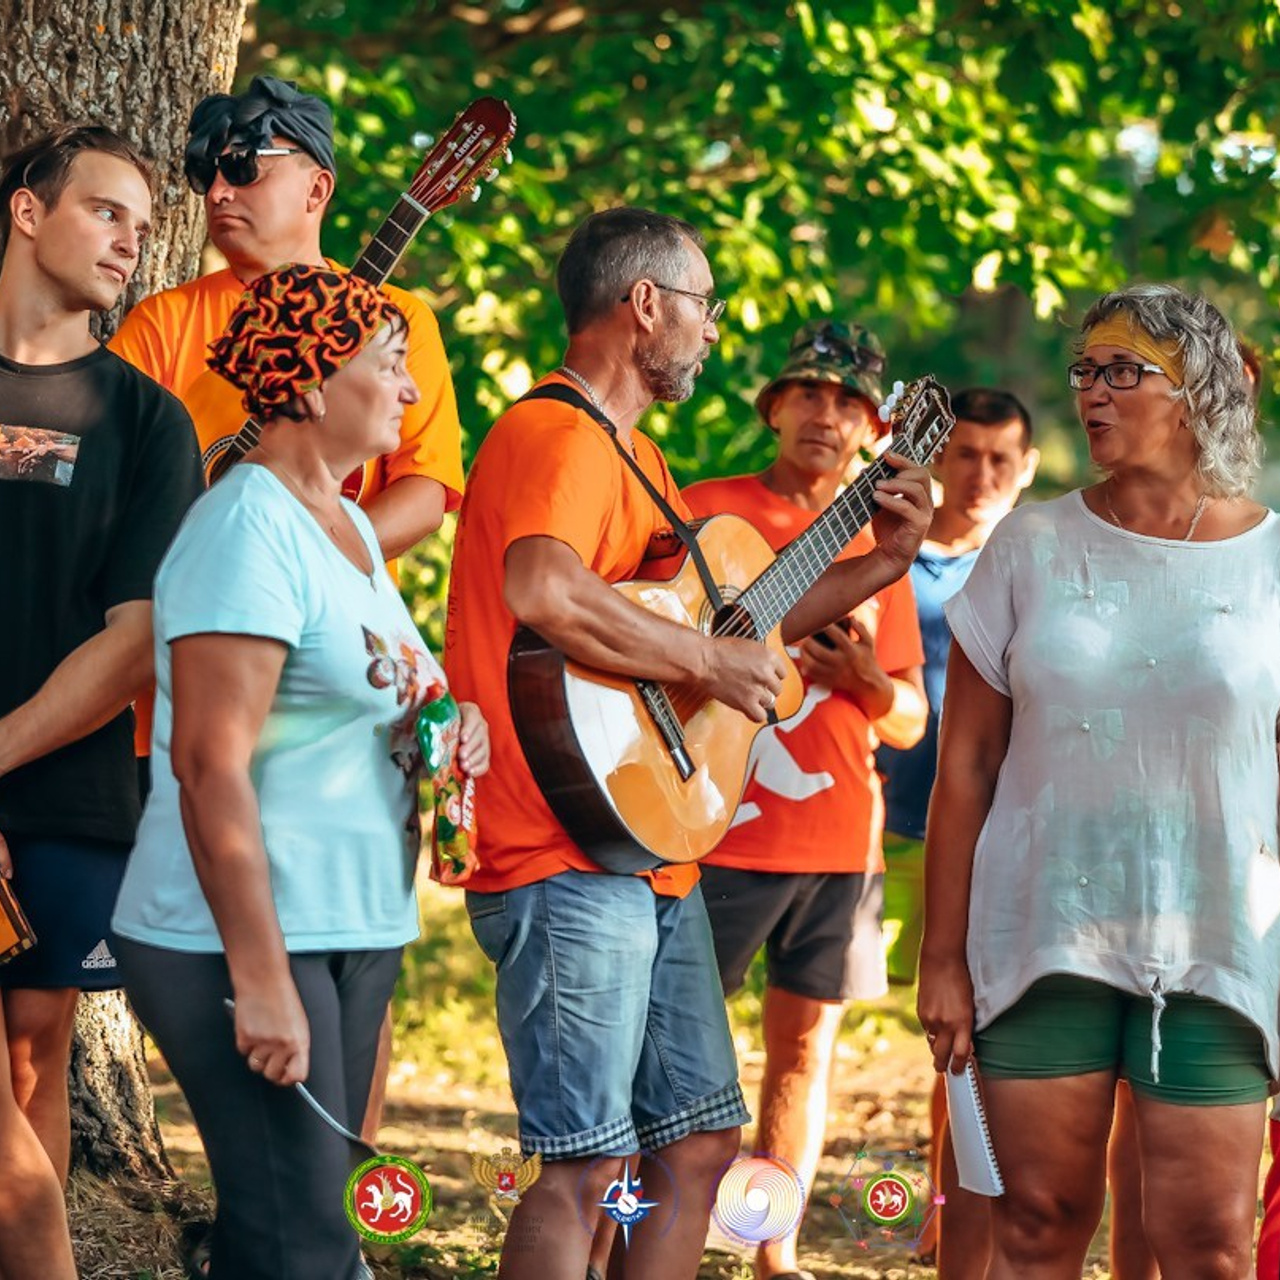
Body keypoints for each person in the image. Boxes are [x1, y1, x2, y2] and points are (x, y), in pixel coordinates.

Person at [443, 207, 933, 1280]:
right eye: (702, 305)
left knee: (700, 1139)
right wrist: (707, 669)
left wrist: (882, 561)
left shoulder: (638, 455)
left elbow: (736, 618)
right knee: (582, 1164)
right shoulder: (554, 431)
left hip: (641, 850)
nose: (711, 331)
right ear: (645, 303)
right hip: (559, 848)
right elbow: (543, 588)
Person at [110, 264, 489, 1280]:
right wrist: (261, 976)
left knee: (289, 1232)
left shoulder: (354, 526)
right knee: (305, 1242)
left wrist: (446, 735)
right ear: (314, 384)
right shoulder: (244, 527)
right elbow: (206, 761)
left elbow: (367, 699)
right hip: (240, 934)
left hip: (352, 922)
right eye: (391, 364)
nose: (410, 393)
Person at [109, 72, 465, 1145]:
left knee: (355, 982)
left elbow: (427, 486)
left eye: (243, 167)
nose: (217, 190)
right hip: (190, 690)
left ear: (316, 183)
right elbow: (133, 507)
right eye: (204, 171)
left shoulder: (394, 325)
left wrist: (317, 561)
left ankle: (331, 1203)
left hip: (336, 703)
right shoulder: (166, 325)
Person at [918, 283, 1278, 1279]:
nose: (1093, 390)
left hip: (1218, 945)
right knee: (1035, 1224)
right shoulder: (1027, 547)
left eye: (1124, 369)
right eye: (1085, 370)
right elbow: (965, 771)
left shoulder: (1270, 560)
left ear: (1196, 391)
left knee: (1206, 1245)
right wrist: (941, 958)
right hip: (1041, 939)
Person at [682, 320, 927, 1280]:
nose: (828, 415)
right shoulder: (707, 509)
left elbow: (905, 720)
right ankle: (622, 1230)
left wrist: (867, 674)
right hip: (714, 825)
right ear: (775, 408)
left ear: (872, 430)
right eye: (810, 395)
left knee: (804, 1055)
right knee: (673, 1051)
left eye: (850, 404)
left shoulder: (884, 543)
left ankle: (766, 1247)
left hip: (836, 844)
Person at [0, 125, 203, 1278]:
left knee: (36, 1068)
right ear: (29, 213)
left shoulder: (144, 420)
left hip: (73, 795)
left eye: (140, 217)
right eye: (104, 209)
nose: (133, 236)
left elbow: (136, 638)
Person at [876, 387, 1038, 1273]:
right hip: (884, 817)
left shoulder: (1036, 565)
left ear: (1029, 468)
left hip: (991, 836)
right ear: (940, 458)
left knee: (968, 1041)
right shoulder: (886, 558)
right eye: (964, 453)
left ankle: (952, 1206)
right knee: (909, 1019)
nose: (979, 473)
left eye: (999, 458)